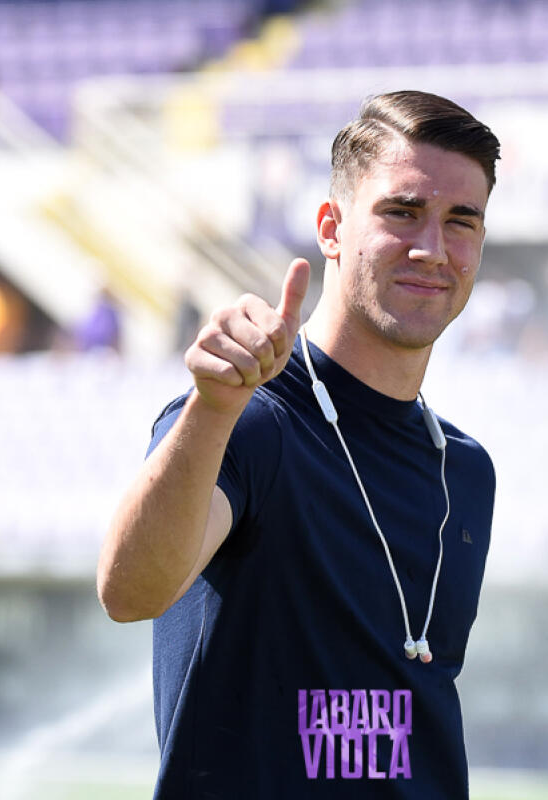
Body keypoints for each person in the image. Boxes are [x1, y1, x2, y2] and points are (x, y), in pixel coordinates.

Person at [97, 90, 500, 797]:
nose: (432, 248)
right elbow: (130, 591)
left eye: (460, 222)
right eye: (401, 211)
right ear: (331, 226)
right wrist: (212, 408)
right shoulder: (251, 418)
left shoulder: (464, 469)